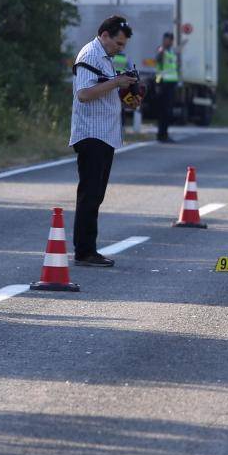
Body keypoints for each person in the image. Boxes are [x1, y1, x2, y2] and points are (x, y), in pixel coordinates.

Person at [71, 15, 137, 266]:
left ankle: (89, 248)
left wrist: (128, 93)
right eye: (118, 44)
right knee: (90, 194)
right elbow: (84, 94)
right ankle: (84, 251)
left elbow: (107, 89)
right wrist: (116, 82)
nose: (120, 49)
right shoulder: (90, 55)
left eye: (123, 46)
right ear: (105, 35)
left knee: (96, 194)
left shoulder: (107, 57)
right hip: (91, 134)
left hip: (105, 134)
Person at [153, 31, 180, 143]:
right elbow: (158, 67)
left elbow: (173, 68)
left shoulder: (171, 52)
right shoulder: (162, 51)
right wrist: (158, 84)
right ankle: (161, 135)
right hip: (164, 84)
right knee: (164, 111)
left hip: (171, 84)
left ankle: (164, 134)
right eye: (165, 39)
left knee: (168, 111)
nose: (166, 41)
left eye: (169, 39)